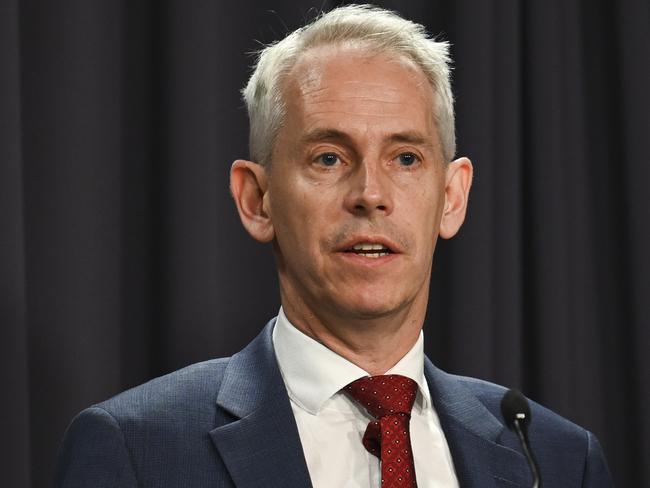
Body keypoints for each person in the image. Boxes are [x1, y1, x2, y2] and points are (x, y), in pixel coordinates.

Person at [56, 5, 613, 487]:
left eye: (405, 158)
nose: (371, 194)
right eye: (329, 157)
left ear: (451, 197)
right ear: (257, 199)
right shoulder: (135, 450)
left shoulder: (557, 459)